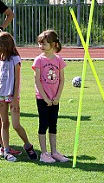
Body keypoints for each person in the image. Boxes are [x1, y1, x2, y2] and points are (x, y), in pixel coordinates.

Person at [0, 32, 38, 162]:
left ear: (3, 45)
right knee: (4, 123)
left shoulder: (15, 60)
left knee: (16, 124)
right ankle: (6, 150)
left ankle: (28, 145)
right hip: (1, 96)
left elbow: (17, 80)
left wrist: (14, 98)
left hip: (12, 96)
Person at [32, 29, 69, 163]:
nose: (41, 46)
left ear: (53, 45)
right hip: (43, 98)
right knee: (44, 124)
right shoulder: (38, 60)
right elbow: (37, 80)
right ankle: (43, 153)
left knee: (53, 125)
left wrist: (57, 97)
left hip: (55, 99)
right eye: (40, 44)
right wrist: (46, 98)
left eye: (44, 44)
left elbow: (62, 79)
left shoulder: (59, 60)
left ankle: (54, 152)